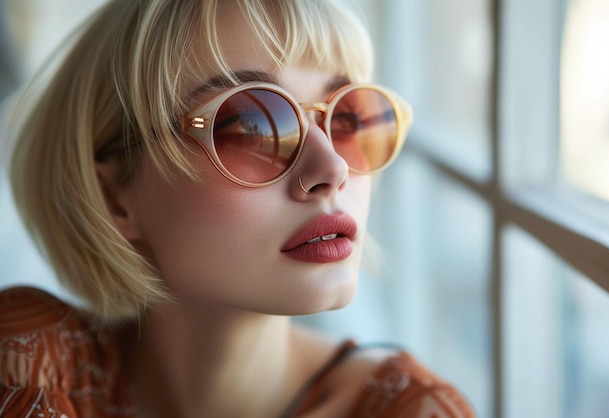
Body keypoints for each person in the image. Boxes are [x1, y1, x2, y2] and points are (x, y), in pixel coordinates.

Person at [0, 0, 475, 416]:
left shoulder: (416, 412)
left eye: (347, 118)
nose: (332, 167)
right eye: (249, 126)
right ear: (113, 198)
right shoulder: (31, 366)